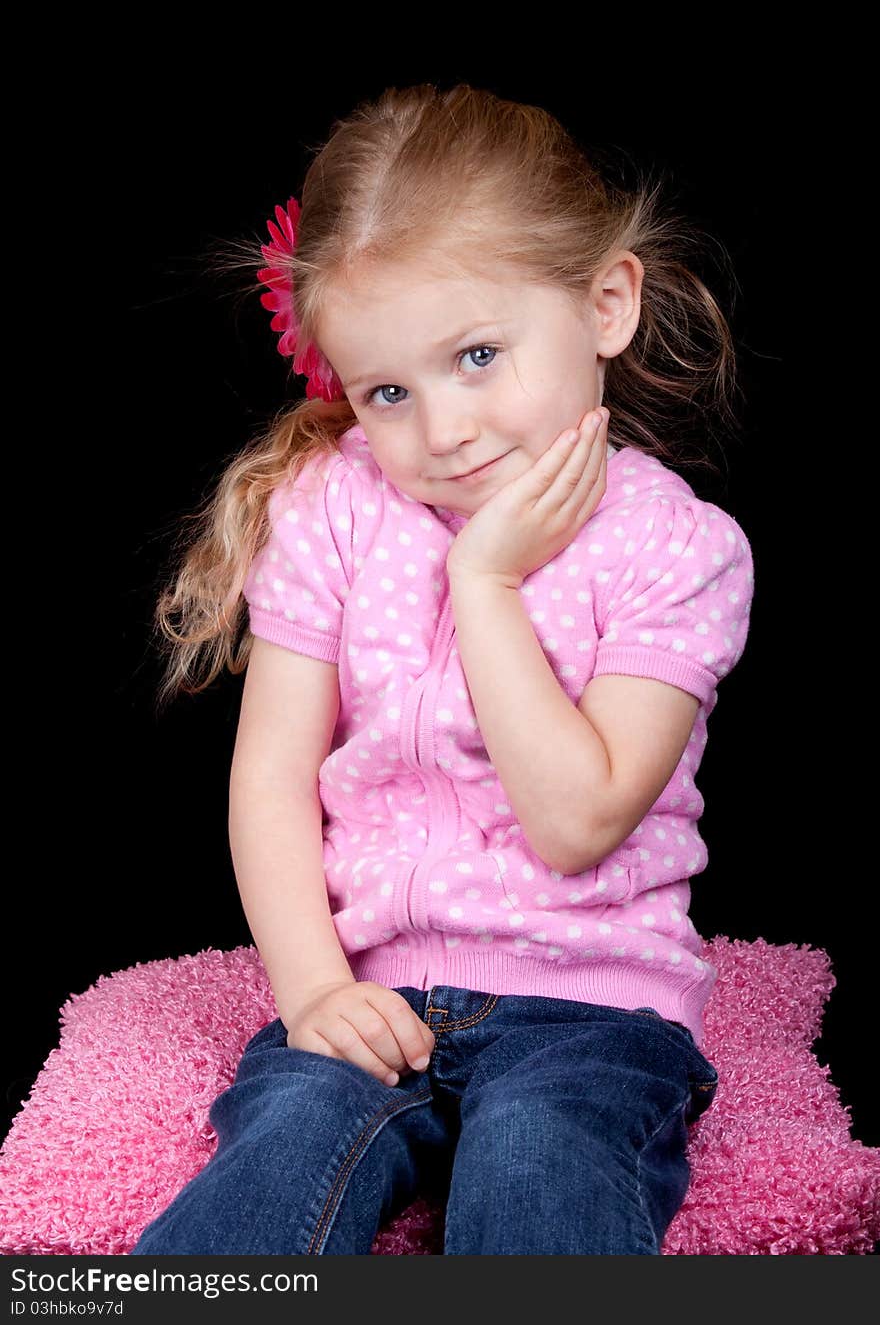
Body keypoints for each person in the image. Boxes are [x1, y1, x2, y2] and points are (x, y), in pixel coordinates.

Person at [130, 82, 754, 1256]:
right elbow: (271, 776)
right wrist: (314, 989)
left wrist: (487, 582)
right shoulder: (335, 509)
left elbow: (576, 822)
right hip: (373, 993)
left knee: (540, 1178)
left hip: (592, 1009)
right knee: (269, 1174)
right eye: (388, 393)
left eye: (478, 355)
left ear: (606, 303)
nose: (443, 431)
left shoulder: (677, 548)